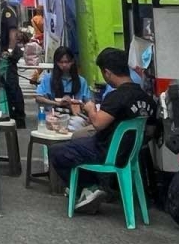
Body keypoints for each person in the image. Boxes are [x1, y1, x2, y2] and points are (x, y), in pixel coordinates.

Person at [49, 48, 157, 214]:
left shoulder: (117, 96)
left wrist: (91, 108)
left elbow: (99, 123)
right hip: (131, 153)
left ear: (107, 73)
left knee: (58, 151)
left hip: (107, 151)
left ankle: (89, 188)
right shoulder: (146, 98)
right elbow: (150, 130)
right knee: (78, 142)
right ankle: (94, 189)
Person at [0, 0, 27, 128]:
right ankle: (10, 112)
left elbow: (13, 33)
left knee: (11, 84)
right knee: (5, 85)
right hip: (1, 53)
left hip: (8, 54)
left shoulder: (7, 11)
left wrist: (9, 51)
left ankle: (19, 116)